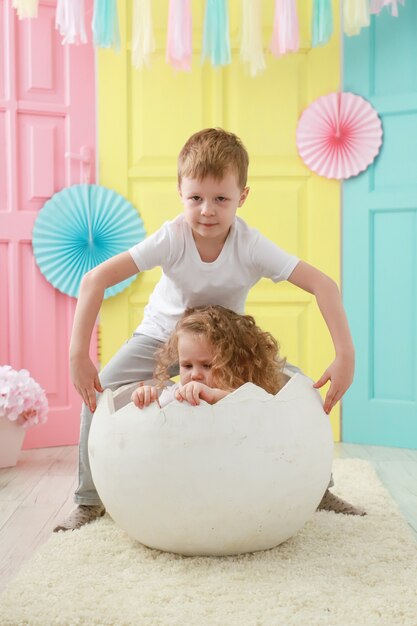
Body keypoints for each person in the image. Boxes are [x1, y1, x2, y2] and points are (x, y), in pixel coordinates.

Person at [54, 128, 363, 533]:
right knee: (97, 393)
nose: (207, 211)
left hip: (224, 341)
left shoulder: (250, 244)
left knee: (299, 391)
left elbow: (324, 285)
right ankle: (89, 499)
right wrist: (78, 355)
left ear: (243, 197)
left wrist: (346, 356)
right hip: (160, 336)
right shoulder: (173, 237)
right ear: (180, 192)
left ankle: (317, 487)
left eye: (221, 199)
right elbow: (95, 279)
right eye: (195, 198)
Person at [131, 305, 287, 410]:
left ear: (234, 365)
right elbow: (158, 417)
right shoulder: (177, 393)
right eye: (187, 366)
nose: (195, 375)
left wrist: (212, 395)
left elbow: (251, 406)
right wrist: (147, 399)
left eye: (207, 366)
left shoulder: (242, 393)